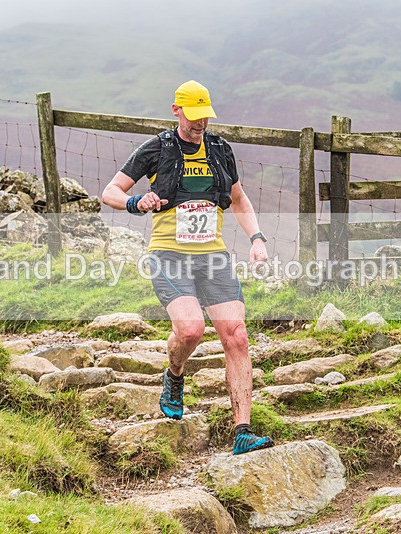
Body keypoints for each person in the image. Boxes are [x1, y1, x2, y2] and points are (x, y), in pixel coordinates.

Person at [102, 80, 273, 455]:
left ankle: (242, 431)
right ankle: (175, 374)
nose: (200, 125)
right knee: (191, 330)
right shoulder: (156, 149)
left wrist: (257, 239)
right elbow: (110, 191)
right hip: (168, 255)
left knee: (237, 336)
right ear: (176, 110)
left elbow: (239, 200)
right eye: (194, 118)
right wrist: (135, 203)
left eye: (205, 118)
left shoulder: (219, 150)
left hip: (213, 257)